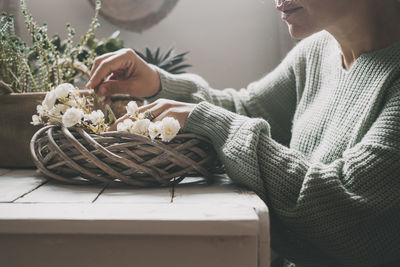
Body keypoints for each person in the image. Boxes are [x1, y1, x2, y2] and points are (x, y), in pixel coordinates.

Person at [86, 0, 400, 266]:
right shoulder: (317, 52)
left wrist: (213, 122)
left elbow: (342, 206)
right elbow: (246, 108)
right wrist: (158, 83)